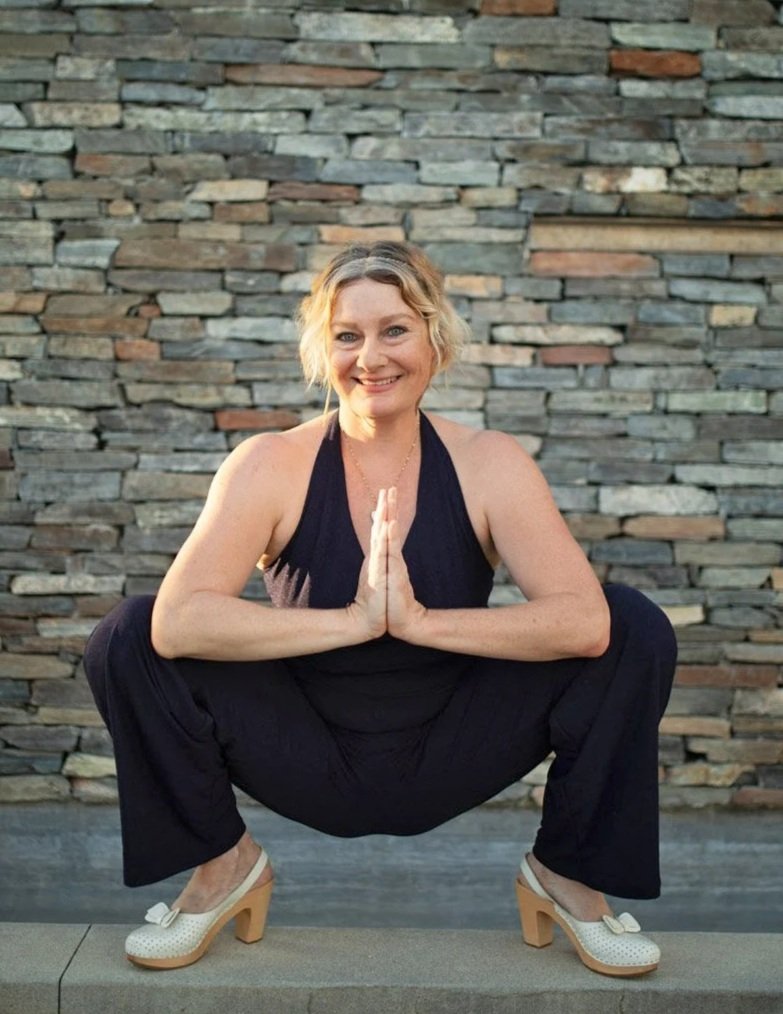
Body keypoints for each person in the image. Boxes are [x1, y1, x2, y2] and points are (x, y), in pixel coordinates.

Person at [83, 240, 677, 977]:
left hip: (453, 743)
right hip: (302, 745)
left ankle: (568, 877)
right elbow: (178, 624)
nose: (371, 357)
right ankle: (222, 866)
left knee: (630, 625)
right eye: (347, 335)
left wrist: (418, 622)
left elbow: (583, 624)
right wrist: (355, 621)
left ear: (434, 338)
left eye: (394, 329)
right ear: (320, 350)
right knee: (129, 635)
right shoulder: (270, 463)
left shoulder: (490, 463)